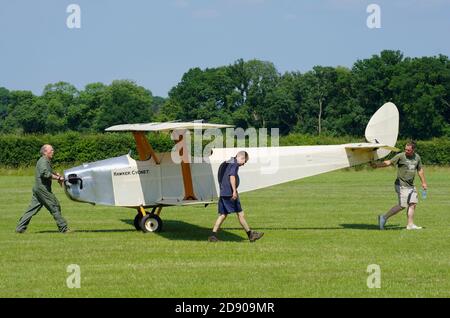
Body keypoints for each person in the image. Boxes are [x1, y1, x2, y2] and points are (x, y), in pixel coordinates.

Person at [208, 151, 264, 242]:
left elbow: (220, 175)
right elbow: (232, 176)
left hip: (223, 192)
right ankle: (251, 235)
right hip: (230, 193)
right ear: (240, 157)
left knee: (223, 215)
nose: (243, 164)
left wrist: (222, 188)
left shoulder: (226, 162)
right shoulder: (234, 164)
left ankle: (213, 236)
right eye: (244, 161)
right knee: (240, 214)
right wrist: (234, 191)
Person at [371, 142, 427, 230]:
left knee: (413, 204)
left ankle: (410, 225)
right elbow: (389, 162)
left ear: (413, 150)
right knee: (402, 205)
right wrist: (377, 165)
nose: (406, 151)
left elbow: (420, 170)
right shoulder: (401, 156)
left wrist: (423, 183)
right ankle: (383, 217)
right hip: (401, 185)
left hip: (411, 185)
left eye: (408, 150)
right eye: (405, 149)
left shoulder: (417, 157)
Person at [16, 144, 71, 233]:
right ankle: (63, 228)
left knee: (32, 209)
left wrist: (55, 174)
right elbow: (45, 173)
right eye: (51, 150)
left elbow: (48, 171)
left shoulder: (46, 161)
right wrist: (58, 178)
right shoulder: (43, 161)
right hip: (43, 189)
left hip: (39, 189)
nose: (53, 152)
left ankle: (20, 228)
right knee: (54, 206)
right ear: (45, 152)